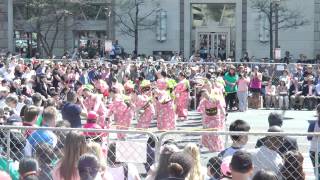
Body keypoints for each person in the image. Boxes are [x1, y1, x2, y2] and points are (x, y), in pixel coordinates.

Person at [307, 104, 320, 176]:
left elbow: (309, 137)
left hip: (314, 150)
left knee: (316, 171)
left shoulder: (313, 124)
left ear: (317, 112)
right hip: (314, 150)